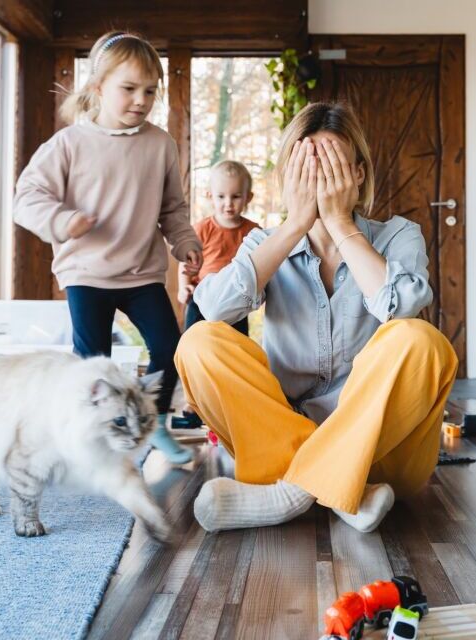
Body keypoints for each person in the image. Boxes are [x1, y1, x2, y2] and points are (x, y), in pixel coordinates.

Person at [176, 102, 458, 533]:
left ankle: (293, 492)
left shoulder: (398, 234)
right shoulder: (264, 242)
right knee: (198, 343)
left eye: (331, 166)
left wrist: (342, 225)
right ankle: (342, 489)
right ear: (287, 177)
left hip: (382, 454)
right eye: (306, 167)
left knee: (421, 341)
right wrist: (292, 227)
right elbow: (212, 308)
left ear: (358, 174)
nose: (319, 179)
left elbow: (401, 306)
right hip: (276, 444)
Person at [13, 31, 199, 465]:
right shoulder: (69, 144)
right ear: (98, 88)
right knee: (93, 366)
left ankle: (151, 425)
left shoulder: (160, 145)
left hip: (141, 275)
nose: (141, 99)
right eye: (129, 89)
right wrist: (62, 221)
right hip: (87, 274)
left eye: (150, 90)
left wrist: (185, 241)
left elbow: (173, 207)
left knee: (171, 352)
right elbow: (27, 197)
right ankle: (90, 444)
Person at [178, 160, 261, 336]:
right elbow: (187, 262)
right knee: (195, 345)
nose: (228, 203)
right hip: (201, 298)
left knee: (234, 349)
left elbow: (262, 265)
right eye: (221, 196)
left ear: (248, 197)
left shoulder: (254, 232)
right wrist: (183, 286)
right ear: (210, 196)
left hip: (236, 300)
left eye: (236, 196)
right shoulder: (202, 229)